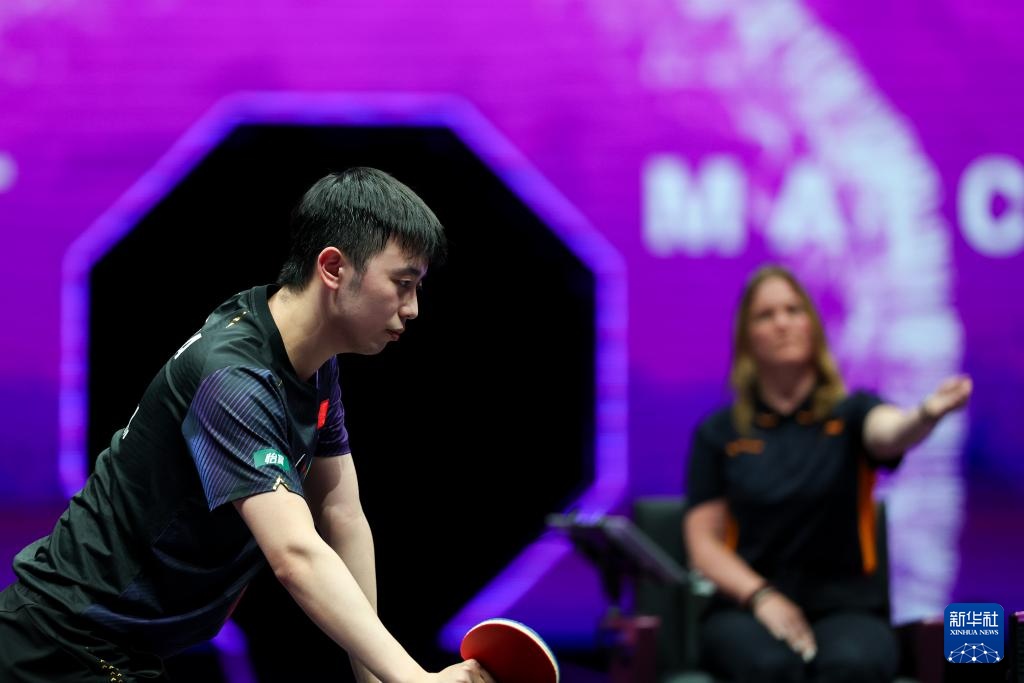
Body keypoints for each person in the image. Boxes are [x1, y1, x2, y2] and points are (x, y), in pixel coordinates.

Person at [0, 168, 495, 683]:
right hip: (55, 648)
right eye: (403, 284)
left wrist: (376, 678)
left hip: (113, 648)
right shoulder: (232, 377)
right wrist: (411, 678)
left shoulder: (309, 362)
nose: (413, 309)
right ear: (333, 267)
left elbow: (341, 514)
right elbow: (295, 554)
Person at [684, 264, 972, 683]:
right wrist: (761, 596)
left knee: (851, 666)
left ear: (813, 327)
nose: (782, 323)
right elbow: (703, 545)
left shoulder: (852, 413)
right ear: (746, 338)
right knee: (770, 668)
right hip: (748, 608)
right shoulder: (719, 433)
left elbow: (890, 433)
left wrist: (925, 414)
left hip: (847, 608)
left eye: (793, 310)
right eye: (766, 315)